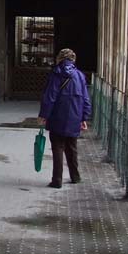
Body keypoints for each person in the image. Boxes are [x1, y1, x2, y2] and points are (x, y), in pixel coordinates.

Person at [36, 48, 91, 187]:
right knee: (72, 147)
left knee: (58, 147)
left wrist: (44, 115)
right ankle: (75, 177)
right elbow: (86, 99)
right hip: (75, 117)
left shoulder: (56, 74)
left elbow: (50, 97)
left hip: (57, 117)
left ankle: (57, 180)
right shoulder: (79, 76)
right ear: (73, 60)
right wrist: (84, 117)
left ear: (59, 59)